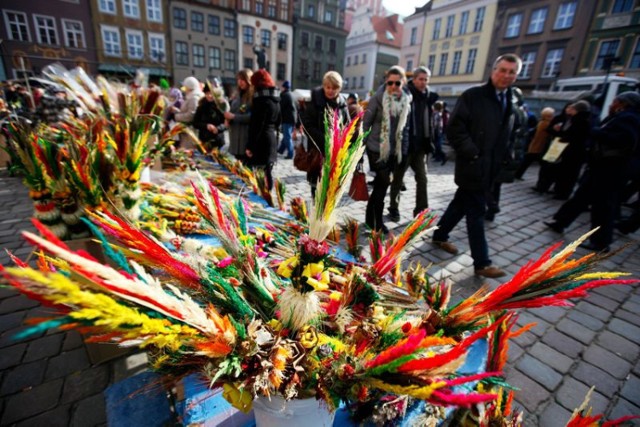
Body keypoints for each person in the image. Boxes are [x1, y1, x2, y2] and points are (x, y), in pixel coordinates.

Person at [431, 53, 523, 279]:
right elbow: (454, 129)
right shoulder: (473, 96)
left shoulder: (511, 99)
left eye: (512, 72)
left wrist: (507, 156)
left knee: (461, 204)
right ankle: (482, 262)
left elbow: (510, 133)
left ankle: (440, 234)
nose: (506, 75)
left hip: (491, 168)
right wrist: (472, 152)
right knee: (476, 211)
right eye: (503, 70)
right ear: (493, 70)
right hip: (472, 165)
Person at [545, 92, 640, 251]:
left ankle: (601, 242)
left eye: (616, 100)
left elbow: (624, 140)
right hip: (604, 167)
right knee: (581, 197)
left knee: (602, 206)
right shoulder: (624, 116)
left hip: (610, 169)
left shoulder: (629, 118)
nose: (613, 103)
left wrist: (597, 132)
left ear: (624, 103)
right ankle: (560, 222)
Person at [363, 66, 412, 233]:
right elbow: (366, 123)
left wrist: (403, 152)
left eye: (397, 83)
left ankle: (371, 219)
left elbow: (405, 129)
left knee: (380, 186)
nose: (393, 86)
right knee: (383, 183)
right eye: (390, 82)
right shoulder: (377, 98)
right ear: (386, 81)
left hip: (392, 151)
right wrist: (360, 151)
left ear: (403, 83)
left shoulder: (406, 101)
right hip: (376, 148)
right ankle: (376, 222)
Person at [388, 66, 438, 222]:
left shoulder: (428, 97)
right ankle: (393, 208)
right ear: (414, 79)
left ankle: (421, 211)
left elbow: (430, 122)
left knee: (422, 179)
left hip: (421, 146)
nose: (423, 82)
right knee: (398, 178)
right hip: (405, 145)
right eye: (420, 79)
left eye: (426, 79)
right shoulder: (405, 94)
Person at [301, 71, 350, 199]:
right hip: (318, 151)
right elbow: (307, 125)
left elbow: (348, 126)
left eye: (334, 88)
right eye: (328, 87)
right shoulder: (315, 101)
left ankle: (326, 216)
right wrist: (326, 140)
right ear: (324, 86)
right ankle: (317, 216)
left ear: (339, 88)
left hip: (336, 153)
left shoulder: (342, 104)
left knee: (331, 188)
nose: (330, 91)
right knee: (317, 188)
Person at [546, 100, 592, 200]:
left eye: (573, 109)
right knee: (563, 171)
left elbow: (576, 137)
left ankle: (563, 192)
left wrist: (563, 137)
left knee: (569, 173)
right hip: (567, 150)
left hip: (574, 152)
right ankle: (559, 190)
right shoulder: (574, 119)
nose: (571, 110)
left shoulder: (581, 121)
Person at [246, 69, 281, 190]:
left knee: (260, 175)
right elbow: (278, 121)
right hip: (271, 139)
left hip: (261, 140)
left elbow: (256, 125)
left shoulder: (260, 99)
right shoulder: (275, 99)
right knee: (268, 172)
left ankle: (264, 199)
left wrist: (250, 146)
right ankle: (268, 197)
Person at [514, 107, 554, 179]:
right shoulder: (547, 124)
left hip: (535, 145)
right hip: (540, 146)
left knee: (527, 161)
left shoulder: (541, 122)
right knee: (541, 164)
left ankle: (518, 174)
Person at [224, 69, 253, 162]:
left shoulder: (253, 96)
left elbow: (252, 117)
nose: (240, 82)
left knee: (246, 169)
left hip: (245, 138)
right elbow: (232, 110)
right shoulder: (237, 95)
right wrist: (227, 119)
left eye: (243, 79)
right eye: (239, 79)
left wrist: (234, 117)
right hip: (235, 138)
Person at [193, 80, 228, 151]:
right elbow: (195, 123)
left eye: (211, 93)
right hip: (204, 140)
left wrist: (218, 128)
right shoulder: (201, 106)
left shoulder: (221, 106)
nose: (209, 96)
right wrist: (206, 126)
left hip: (218, 141)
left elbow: (226, 123)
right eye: (207, 93)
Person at [173, 76, 203, 149]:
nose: (184, 89)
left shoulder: (194, 98)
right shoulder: (191, 96)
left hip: (190, 132)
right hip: (186, 131)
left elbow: (191, 115)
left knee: (188, 151)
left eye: (185, 87)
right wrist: (177, 111)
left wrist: (176, 116)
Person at [277, 80, 297, 159]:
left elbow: (281, 107)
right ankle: (281, 150)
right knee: (286, 136)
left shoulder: (285, 95)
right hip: (292, 119)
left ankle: (291, 154)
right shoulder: (291, 95)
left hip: (287, 119)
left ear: (284, 87)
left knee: (287, 136)